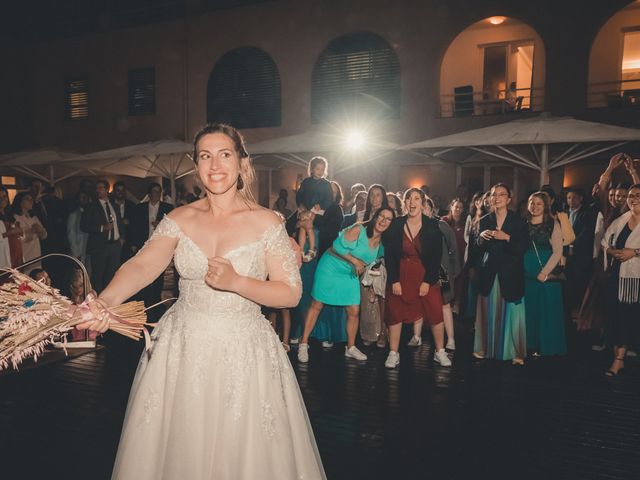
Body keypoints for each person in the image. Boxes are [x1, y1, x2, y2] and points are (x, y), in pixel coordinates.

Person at [78, 123, 325, 479]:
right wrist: (103, 302)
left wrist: (238, 282)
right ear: (196, 165)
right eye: (205, 156)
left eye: (224, 154)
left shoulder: (266, 221)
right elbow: (142, 265)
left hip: (244, 351)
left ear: (242, 162)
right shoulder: (180, 218)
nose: (215, 165)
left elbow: (290, 292)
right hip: (181, 347)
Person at [297, 207, 395, 364]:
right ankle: (303, 343)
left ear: (391, 223)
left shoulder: (381, 243)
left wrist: (370, 286)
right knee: (317, 304)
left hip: (349, 275)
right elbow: (336, 248)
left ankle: (350, 347)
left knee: (354, 310)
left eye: (388, 219)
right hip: (331, 266)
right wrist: (355, 261)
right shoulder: (358, 229)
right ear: (375, 217)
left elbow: (368, 266)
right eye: (381, 216)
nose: (383, 221)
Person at [383, 188, 448, 369]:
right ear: (404, 203)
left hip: (425, 275)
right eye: (409, 199)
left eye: (416, 199)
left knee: (435, 312)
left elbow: (436, 257)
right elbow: (389, 255)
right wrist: (394, 279)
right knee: (395, 312)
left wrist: (428, 281)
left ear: (422, 203)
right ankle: (393, 353)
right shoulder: (396, 225)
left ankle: (440, 352)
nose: (412, 202)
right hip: (401, 275)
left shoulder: (432, 226)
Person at [474, 183, 528, 365]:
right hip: (489, 273)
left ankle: (515, 352)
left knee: (512, 313)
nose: (497, 198)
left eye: (502, 195)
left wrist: (507, 238)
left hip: (510, 273)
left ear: (509, 199)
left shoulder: (518, 221)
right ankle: (485, 348)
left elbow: (522, 248)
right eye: (494, 195)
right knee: (487, 311)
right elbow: (476, 250)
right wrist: (480, 239)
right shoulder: (484, 220)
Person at [602, 183, 640, 376]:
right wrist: (611, 251)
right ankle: (618, 354)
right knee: (614, 314)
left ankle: (619, 359)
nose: (634, 199)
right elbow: (605, 241)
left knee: (628, 315)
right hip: (616, 274)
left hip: (635, 278)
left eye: (638, 195)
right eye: (631, 196)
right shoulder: (621, 220)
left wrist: (634, 252)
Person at [524, 192, 566, 356]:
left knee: (546, 309)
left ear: (546, 206)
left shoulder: (552, 224)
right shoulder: (523, 223)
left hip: (544, 272)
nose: (534, 206)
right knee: (529, 310)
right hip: (526, 273)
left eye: (539, 204)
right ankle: (529, 345)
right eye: (532, 203)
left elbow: (557, 252)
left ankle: (546, 347)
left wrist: (544, 272)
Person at [131, 182, 174, 319]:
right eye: (154, 191)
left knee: (158, 272)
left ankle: (156, 299)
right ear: (149, 193)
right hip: (143, 244)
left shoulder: (168, 207)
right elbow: (134, 227)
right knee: (143, 270)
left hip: (160, 245)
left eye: (158, 191)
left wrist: (159, 224)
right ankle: (143, 299)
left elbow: (172, 227)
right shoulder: (140, 208)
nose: (156, 194)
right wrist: (133, 243)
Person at [426, 197, 460, 352]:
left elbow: (453, 249)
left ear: (432, 209)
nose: (423, 210)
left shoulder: (441, 225)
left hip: (442, 272)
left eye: (426, 207)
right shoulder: (414, 226)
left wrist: (452, 272)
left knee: (445, 305)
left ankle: (451, 338)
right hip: (423, 272)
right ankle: (418, 336)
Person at [358, 184, 390, 347]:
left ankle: (383, 332)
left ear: (383, 198)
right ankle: (369, 333)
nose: (375, 198)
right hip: (364, 261)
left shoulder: (388, 215)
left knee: (381, 298)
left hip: (381, 260)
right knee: (366, 299)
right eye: (372, 195)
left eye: (378, 195)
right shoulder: (363, 216)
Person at [80, 179, 126, 293]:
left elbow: (119, 223)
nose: (98, 191)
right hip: (99, 246)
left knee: (112, 276)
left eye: (101, 188)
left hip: (115, 245)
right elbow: (83, 226)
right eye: (97, 188)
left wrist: (122, 238)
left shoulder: (114, 205)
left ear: (107, 190)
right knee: (98, 276)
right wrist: (102, 228)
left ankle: (109, 301)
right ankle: (98, 302)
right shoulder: (91, 206)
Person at [564, 187, 597, 317]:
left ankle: (579, 310)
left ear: (581, 198)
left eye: (574, 197)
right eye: (569, 198)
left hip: (581, 255)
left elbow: (586, 233)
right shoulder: (564, 213)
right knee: (569, 282)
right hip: (567, 254)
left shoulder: (587, 213)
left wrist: (573, 245)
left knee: (580, 282)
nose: (571, 200)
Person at [296, 156, 334, 263]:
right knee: (302, 228)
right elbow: (299, 195)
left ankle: (312, 249)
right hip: (304, 208)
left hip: (317, 209)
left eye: (322, 169)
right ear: (312, 169)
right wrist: (301, 206)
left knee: (308, 225)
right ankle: (301, 250)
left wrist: (321, 205)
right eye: (318, 169)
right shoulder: (306, 182)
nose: (320, 172)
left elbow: (330, 199)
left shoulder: (326, 184)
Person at [442, 198, 467, 316]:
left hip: (461, 257)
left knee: (459, 282)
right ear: (451, 207)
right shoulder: (444, 221)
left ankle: (456, 305)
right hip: (447, 258)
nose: (458, 210)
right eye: (456, 207)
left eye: (460, 208)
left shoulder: (464, 224)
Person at [12, 192, 47, 266]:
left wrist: (40, 230)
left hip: (36, 253)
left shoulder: (34, 218)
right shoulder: (15, 218)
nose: (31, 201)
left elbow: (44, 236)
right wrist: (32, 231)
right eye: (27, 199)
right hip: (25, 253)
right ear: (20, 202)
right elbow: (17, 239)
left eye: (32, 199)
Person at [111, 181, 138, 263]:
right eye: (118, 190)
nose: (120, 192)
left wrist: (133, 243)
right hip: (112, 241)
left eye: (122, 190)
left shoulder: (132, 206)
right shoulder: (109, 205)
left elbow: (136, 225)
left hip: (128, 242)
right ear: (114, 192)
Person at [67, 191, 91, 272]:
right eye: (81, 197)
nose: (84, 199)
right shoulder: (74, 214)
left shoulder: (92, 213)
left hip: (90, 250)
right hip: (80, 251)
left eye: (85, 197)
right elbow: (71, 234)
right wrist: (76, 253)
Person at [0, 188, 21, 268]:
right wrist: (10, 233)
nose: (2, 199)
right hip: (3, 257)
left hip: (16, 255)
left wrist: (21, 232)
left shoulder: (10, 214)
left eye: (4, 196)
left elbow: (20, 236)